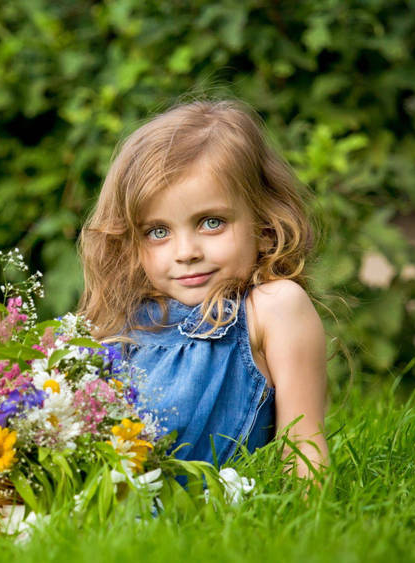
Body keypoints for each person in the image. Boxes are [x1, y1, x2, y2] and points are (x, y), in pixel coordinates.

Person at [79, 99, 329, 479]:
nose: (186, 253)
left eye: (211, 222)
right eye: (158, 232)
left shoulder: (272, 309)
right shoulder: (129, 321)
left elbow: (303, 444)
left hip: (205, 516)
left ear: (263, 226)